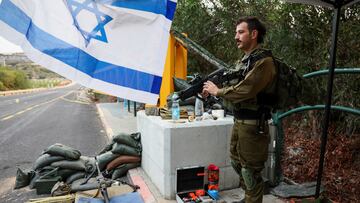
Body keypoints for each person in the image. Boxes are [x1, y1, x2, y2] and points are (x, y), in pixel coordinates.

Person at [202, 16, 277, 203]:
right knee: (237, 163)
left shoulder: (264, 62)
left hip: (254, 125)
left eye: (240, 32)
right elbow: (233, 88)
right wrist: (211, 93)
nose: (236, 36)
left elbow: (246, 90)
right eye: (236, 32)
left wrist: (218, 91)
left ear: (254, 34)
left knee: (250, 170)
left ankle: (253, 199)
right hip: (240, 121)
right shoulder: (245, 61)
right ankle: (249, 198)